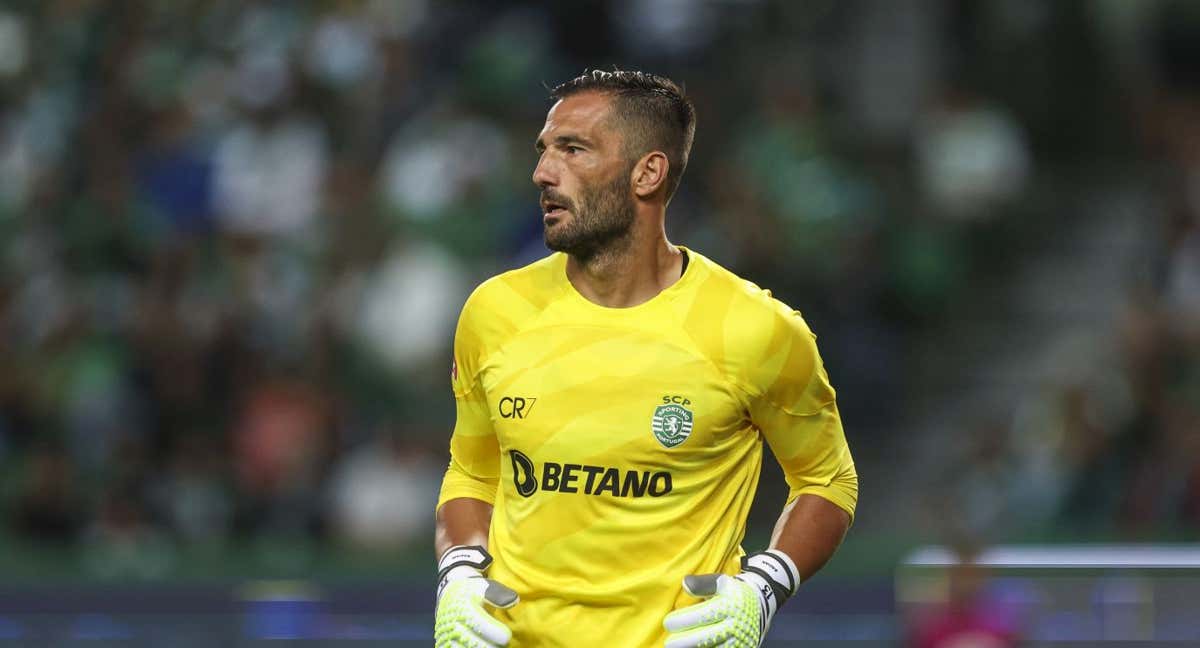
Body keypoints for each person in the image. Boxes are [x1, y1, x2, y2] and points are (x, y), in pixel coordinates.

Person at [433, 69, 858, 648]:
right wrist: (458, 573)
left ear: (648, 173)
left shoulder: (757, 330)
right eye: (544, 151)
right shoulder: (495, 310)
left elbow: (828, 479)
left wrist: (764, 586)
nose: (542, 172)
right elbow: (473, 470)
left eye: (573, 150)